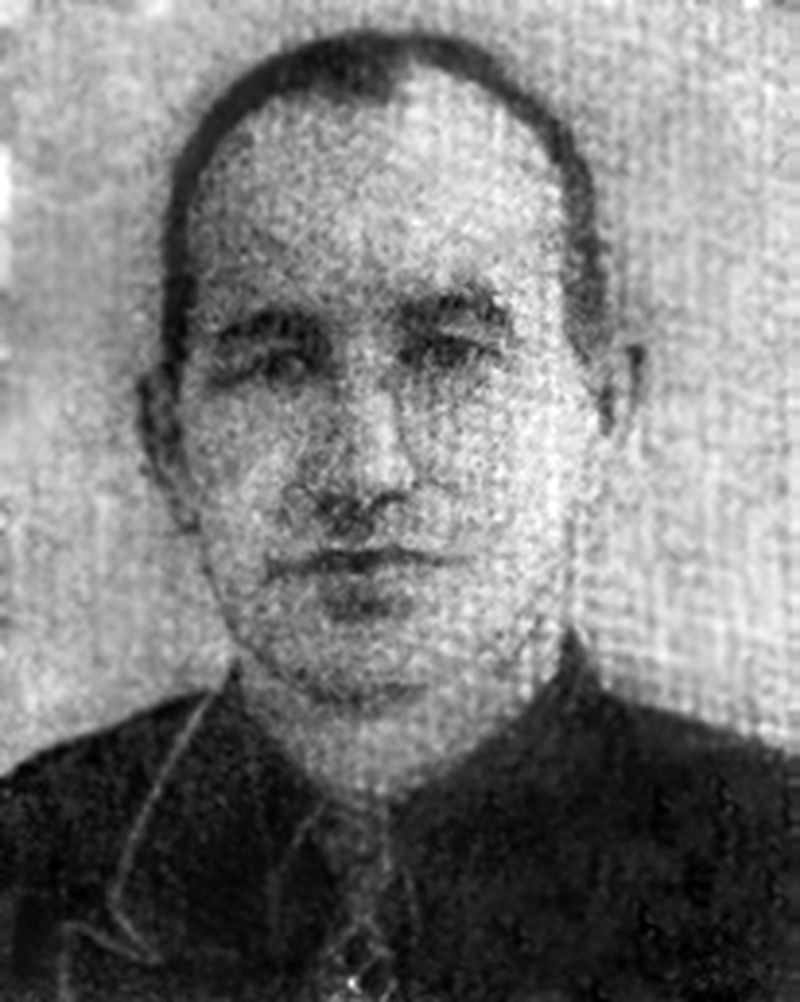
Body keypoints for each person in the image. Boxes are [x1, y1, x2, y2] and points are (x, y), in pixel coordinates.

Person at [0, 30, 792, 1002]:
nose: (366, 470)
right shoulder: (30, 865)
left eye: (451, 353)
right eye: (278, 364)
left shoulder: (771, 875)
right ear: (167, 443)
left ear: (600, 412)